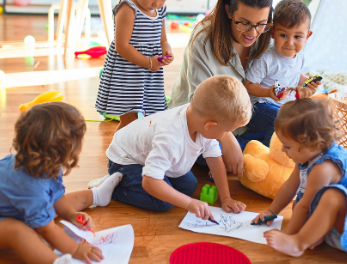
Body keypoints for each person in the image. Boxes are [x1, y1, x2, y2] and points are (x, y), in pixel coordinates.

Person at [0, 103, 125, 264]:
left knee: (51, 204)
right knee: (19, 232)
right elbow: (46, 230)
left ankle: (95, 195)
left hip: (16, 209)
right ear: (62, 149)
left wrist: (71, 214)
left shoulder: (45, 163)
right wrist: (75, 248)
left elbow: (56, 197)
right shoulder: (31, 187)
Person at [252, 99, 347, 264]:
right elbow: (289, 187)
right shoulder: (306, 156)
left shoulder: (324, 167)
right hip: (339, 221)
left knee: (330, 197)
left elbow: (306, 206)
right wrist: (270, 212)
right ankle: (318, 234)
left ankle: (298, 243)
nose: (282, 150)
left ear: (311, 144)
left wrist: (288, 236)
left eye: (287, 146)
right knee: (299, 205)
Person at [99, 75, 251, 217]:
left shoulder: (200, 118)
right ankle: (112, 188)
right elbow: (150, 181)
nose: (227, 135)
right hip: (124, 160)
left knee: (189, 186)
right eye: (227, 131)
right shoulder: (171, 137)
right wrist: (189, 203)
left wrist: (226, 198)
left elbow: (215, 159)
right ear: (210, 126)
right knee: (163, 202)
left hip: (145, 153)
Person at [168, 0, 274, 176]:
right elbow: (198, 106)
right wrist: (227, 139)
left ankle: (240, 158)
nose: (253, 33)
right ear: (228, 11)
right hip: (205, 123)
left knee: (286, 123)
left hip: (242, 119)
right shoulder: (203, 39)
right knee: (197, 149)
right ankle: (247, 157)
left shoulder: (265, 34)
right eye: (244, 22)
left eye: (261, 23)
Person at [96, 0, 186, 132]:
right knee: (128, 120)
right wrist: (147, 62)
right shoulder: (128, 9)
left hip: (149, 73)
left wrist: (166, 50)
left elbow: (162, 38)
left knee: (152, 118)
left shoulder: (160, 10)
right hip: (127, 72)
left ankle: (140, 148)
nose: (157, 3)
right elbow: (122, 47)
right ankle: (118, 156)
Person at [244, 0, 318, 146]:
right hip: (260, 106)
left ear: (307, 36)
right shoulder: (268, 58)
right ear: (272, 33)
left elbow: (295, 76)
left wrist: (307, 83)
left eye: (297, 37)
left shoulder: (300, 56)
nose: (290, 43)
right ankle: (267, 153)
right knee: (282, 119)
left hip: (284, 107)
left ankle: (252, 140)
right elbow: (248, 85)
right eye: (283, 35)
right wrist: (268, 93)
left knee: (312, 114)